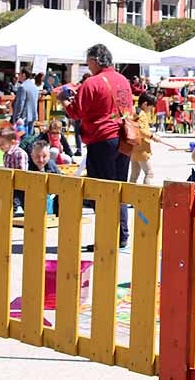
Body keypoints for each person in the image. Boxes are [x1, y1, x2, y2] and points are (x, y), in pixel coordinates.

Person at [61, 44, 134, 250]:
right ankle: (121, 235)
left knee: (102, 191)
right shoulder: (123, 80)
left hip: (102, 138)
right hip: (124, 136)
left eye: (88, 61)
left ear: (95, 60)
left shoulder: (92, 82)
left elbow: (75, 112)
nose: (87, 65)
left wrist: (63, 101)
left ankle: (106, 237)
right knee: (120, 187)